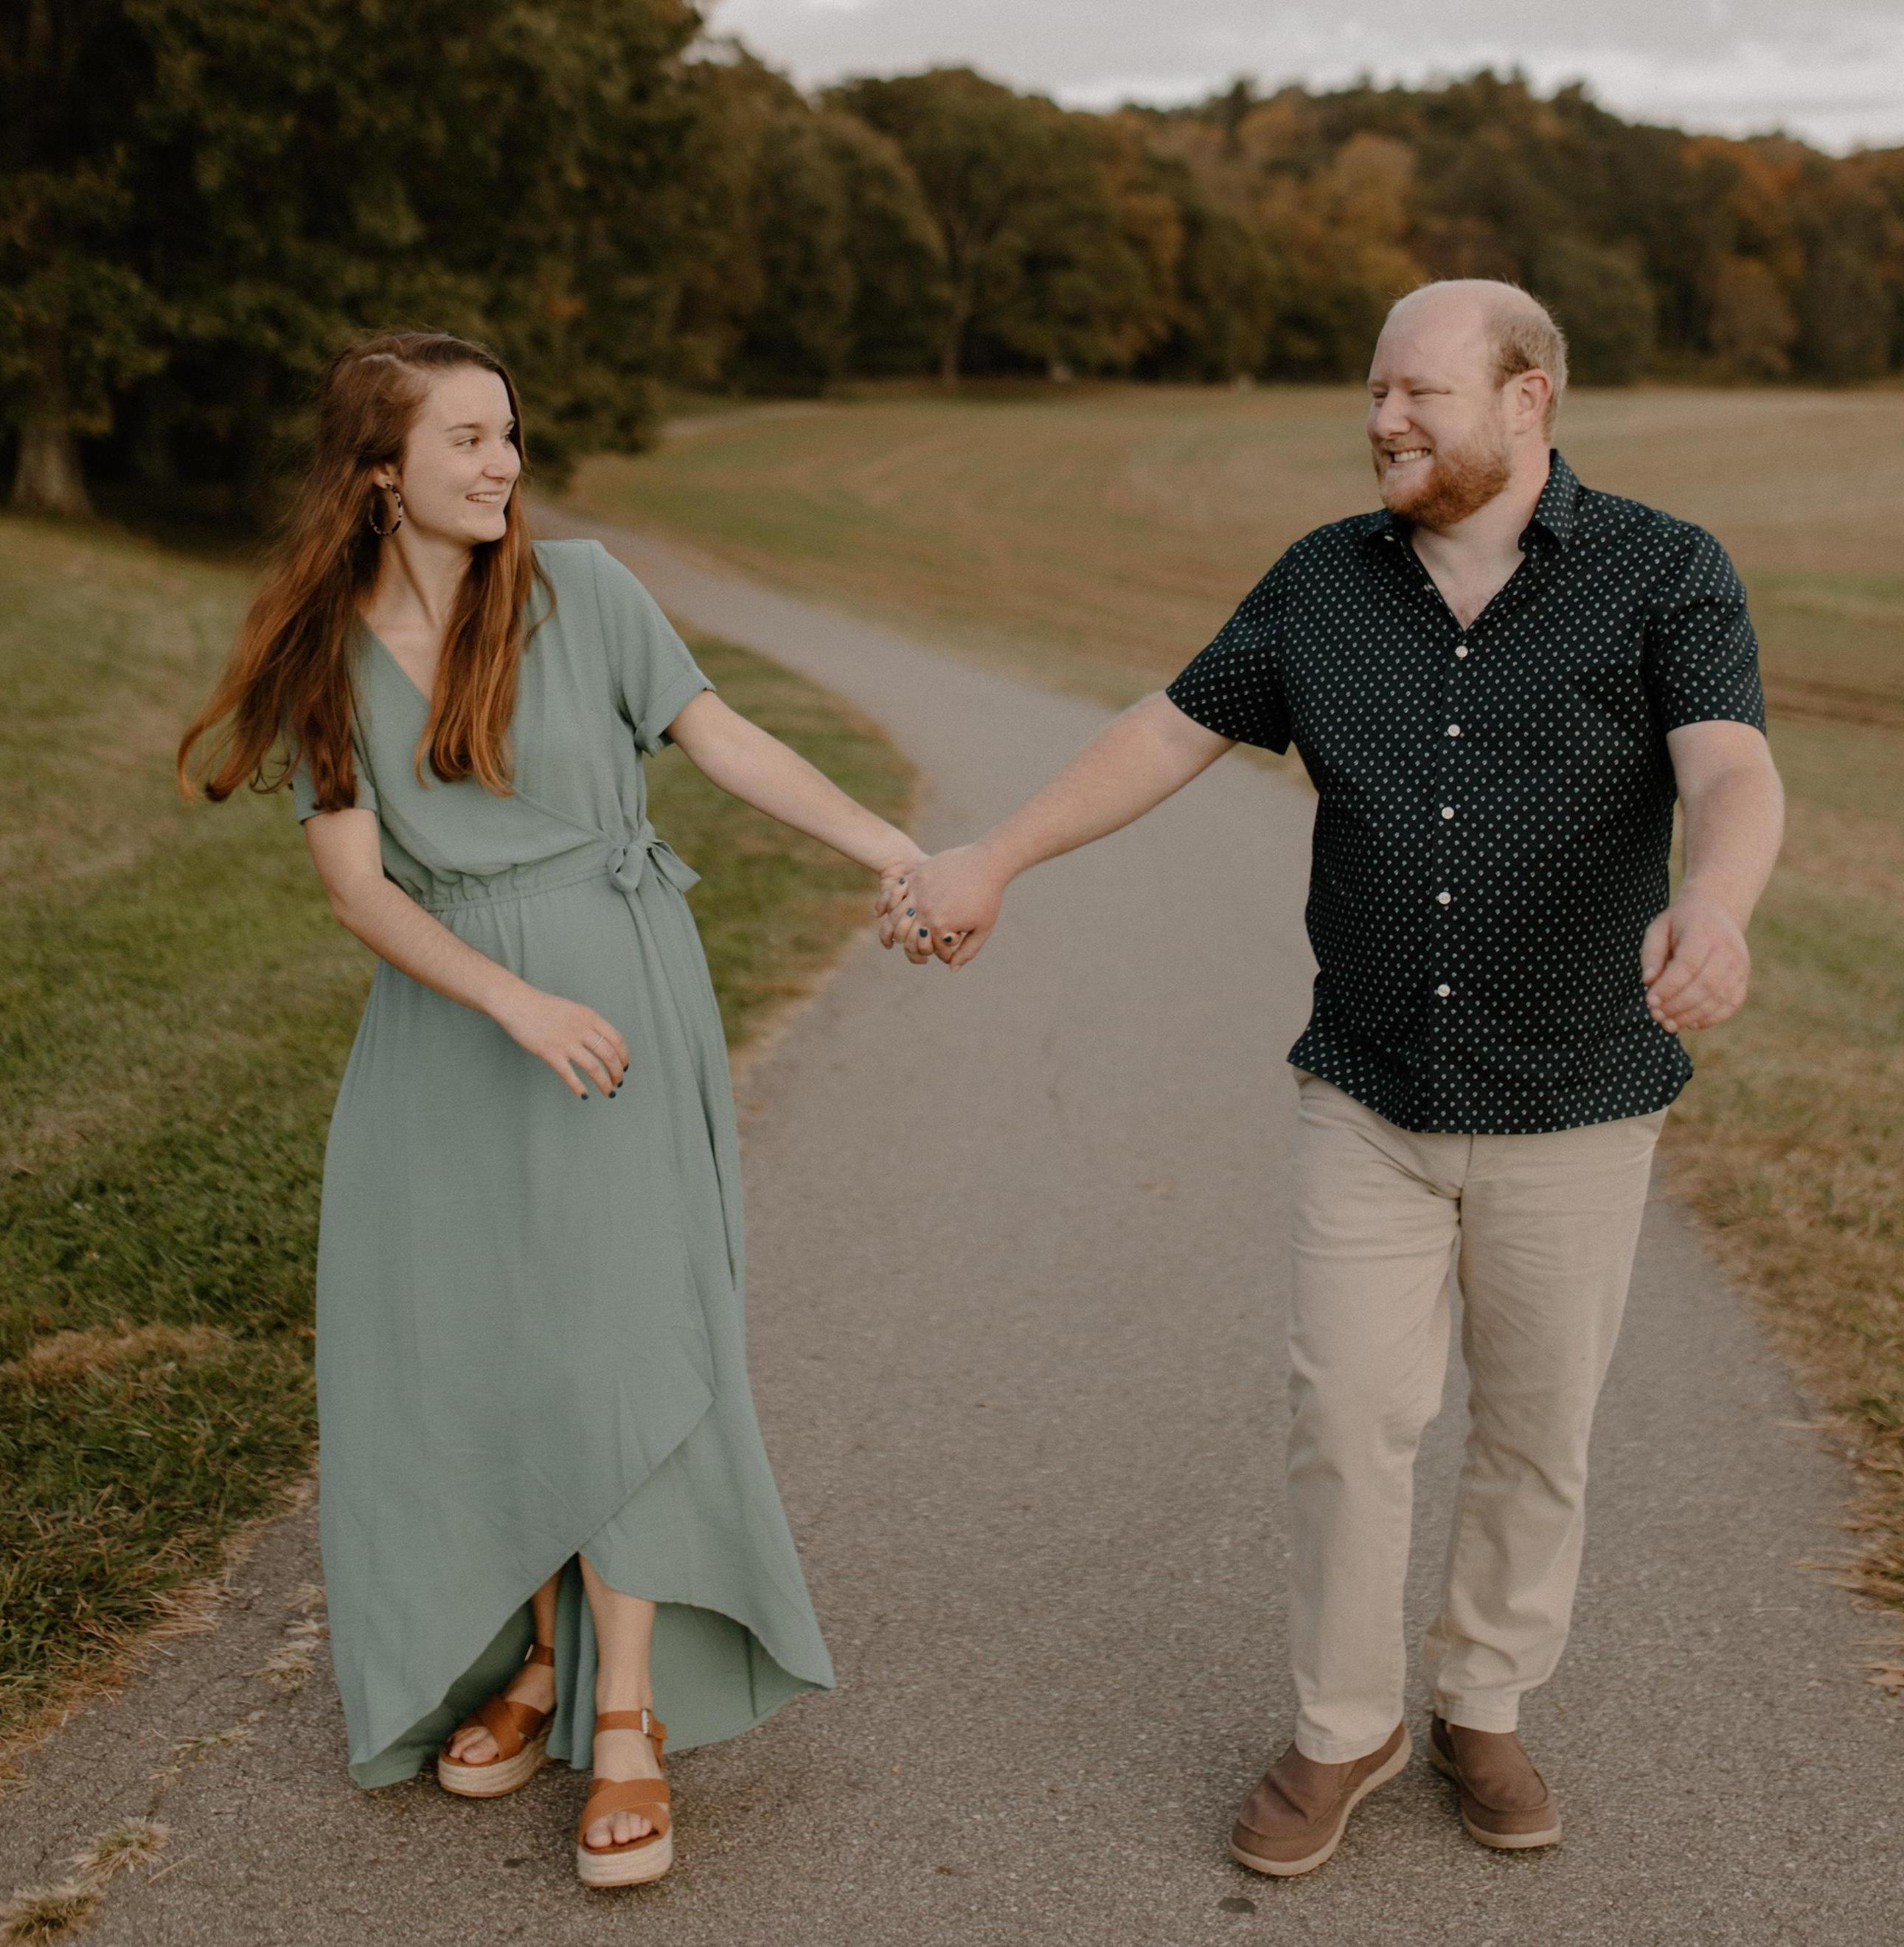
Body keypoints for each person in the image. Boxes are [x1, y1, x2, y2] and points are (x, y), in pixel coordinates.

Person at [882, 280, 1785, 1873]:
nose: (1383, 420)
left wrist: (1714, 903)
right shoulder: (1323, 580)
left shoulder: (1663, 569)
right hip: (1367, 1090)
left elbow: (1730, 763)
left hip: (1578, 1094)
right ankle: (1343, 1724)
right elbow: (1169, 731)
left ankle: (1484, 1703)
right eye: (1375, 391)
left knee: (1537, 1432)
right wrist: (995, 856)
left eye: (1419, 392)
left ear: (1528, 400)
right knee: (1348, 1414)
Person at [178, 330, 926, 1888]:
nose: (502, 463)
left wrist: (893, 852)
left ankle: (628, 1710)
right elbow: (358, 888)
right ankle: (538, 1656)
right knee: (491, 1341)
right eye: (465, 439)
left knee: (616, 1339)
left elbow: (724, 740)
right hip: (454, 1033)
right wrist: (507, 1000)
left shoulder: (586, 592)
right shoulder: (324, 653)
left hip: (619, 999)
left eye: (508, 434)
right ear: (379, 472)